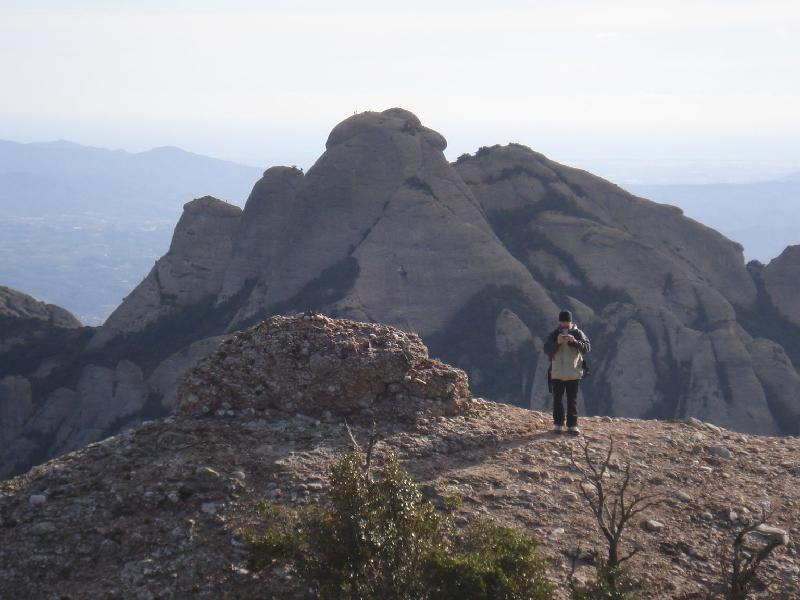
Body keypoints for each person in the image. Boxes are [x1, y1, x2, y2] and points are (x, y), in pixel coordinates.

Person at [543, 310, 590, 435]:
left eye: (566, 322)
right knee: (557, 400)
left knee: (572, 400)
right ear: (559, 322)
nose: (564, 324)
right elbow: (547, 349)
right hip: (557, 372)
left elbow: (587, 347)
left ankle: (572, 425)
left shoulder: (578, 333)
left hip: (573, 373)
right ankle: (558, 424)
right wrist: (557, 343)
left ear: (570, 321)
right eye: (562, 322)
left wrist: (575, 342)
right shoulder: (554, 334)